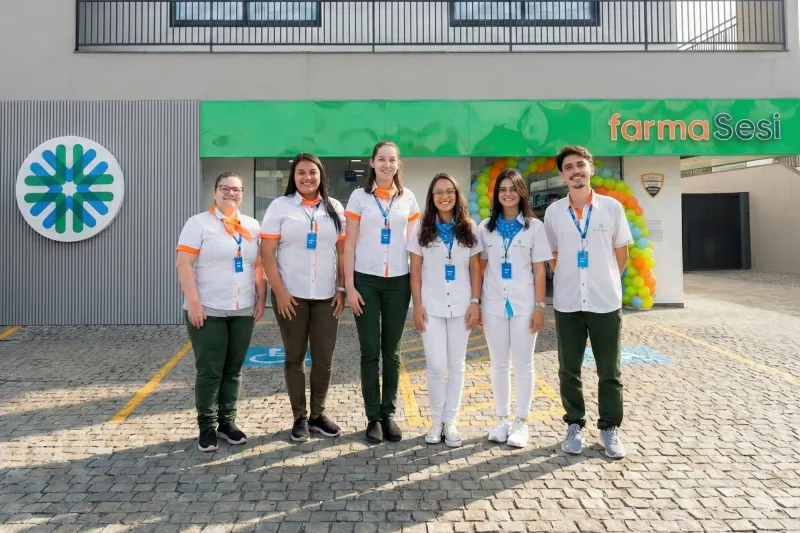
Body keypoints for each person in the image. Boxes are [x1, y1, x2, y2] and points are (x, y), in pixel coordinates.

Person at [543, 145, 633, 459]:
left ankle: (609, 428)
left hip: (605, 301)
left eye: (580, 165)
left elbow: (621, 252)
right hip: (568, 303)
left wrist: (605, 277)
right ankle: (574, 424)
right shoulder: (553, 213)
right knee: (569, 369)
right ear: (562, 174)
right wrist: (569, 278)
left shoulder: (612, 208)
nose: (575, 171)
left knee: (609, 370)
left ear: (590, 168)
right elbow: (552, 255)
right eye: (568, 167)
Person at [176, 171, 266, 452]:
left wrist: (261, 298)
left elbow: (259, 266)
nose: (231, 193)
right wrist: (194, 302)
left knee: (234, 368)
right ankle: (207, 426)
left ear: (242, 194)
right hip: (209, 309)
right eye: (225, 188)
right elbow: (184, 264)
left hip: (242, 308)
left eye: (236, 190)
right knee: (210, 370)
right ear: (214, 192)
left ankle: (227, 422)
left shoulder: (252, 226)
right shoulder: (198, 224)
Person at [260, 153, 346, 443]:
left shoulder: (334, 208)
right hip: (291, 296)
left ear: (321, 175)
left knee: (324, 358)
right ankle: (299, 417)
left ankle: (318, 415)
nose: (307, 177)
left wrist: (342, 288)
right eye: (301, 173)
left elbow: (343, 252)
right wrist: (280, 292)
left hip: (326, 296)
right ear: (292, 177)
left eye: (312, 172)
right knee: (295, 357)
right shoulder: (280, 207)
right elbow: (267, 253)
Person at [343, 140, 421, 444]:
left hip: (398, 282)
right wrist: (349, 287)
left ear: (398, 164)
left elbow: (415, 247)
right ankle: (372, 416)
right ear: (372, 163)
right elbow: (349, 244)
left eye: (393, 159)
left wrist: (417, 290)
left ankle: (388, 414)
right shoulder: (359, 197)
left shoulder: (409, 198)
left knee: (393, 352)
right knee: (369, 352)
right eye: (382, 159)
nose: (387, 164)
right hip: (366, 281)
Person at [478, 168, 552, 448]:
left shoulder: (534, 227)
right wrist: (479, 303)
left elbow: (540, 271)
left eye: (513, 189)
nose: (507, 194)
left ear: (522, 193)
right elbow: (481, 268)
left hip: (523, 305)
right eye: (502, 189)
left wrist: (540, 307)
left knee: (523, 364)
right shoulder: (486, 228)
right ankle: (501, 420)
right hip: (494, 304)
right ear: (497, 194)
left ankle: (521, 422)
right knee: (498, 364)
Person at [408, 173, 482, 447]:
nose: (444, 196)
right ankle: (436, 420)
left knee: (457, 365)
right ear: (432, 197)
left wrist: (476, 302)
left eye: (449, 191)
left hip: (462, 306)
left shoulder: (470, 228)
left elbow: (476, 269)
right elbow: (415, 270)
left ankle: (450, 421)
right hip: (432, 306)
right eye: (438, 192)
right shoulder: (421, 229)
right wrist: (417, 304)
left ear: (457, 194)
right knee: (436, 365)